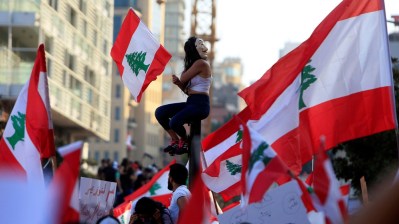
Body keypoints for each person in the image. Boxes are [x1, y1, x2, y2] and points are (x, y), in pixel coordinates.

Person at [155, 36, 212, 155]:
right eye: (200, 45)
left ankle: (185, 141)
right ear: (194, 49)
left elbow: (183, 78)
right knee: (160, 112)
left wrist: (181, 79)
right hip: (191, 102)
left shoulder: (201, 64)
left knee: (174, 122)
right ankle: (175, 139)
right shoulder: (194, 66)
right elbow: (188, 91)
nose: (205, 48)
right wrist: (179, 84)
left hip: (201, 104)